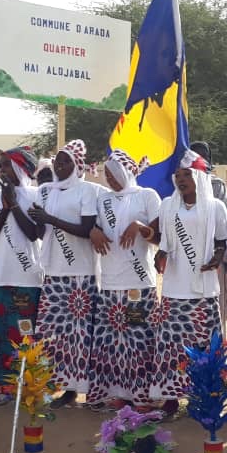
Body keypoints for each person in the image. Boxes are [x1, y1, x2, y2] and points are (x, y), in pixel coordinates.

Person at [150, 149, 227, 419]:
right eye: (178, 175)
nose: (181, 179)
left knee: (205, 347)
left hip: (203, 290)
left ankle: (205, 397)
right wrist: (160, 253)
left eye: (187, 174)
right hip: (175, 288)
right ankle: (171, 399)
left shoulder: (215, 207)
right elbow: (163, 241)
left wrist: (217, 258)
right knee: (172, 347)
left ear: (199, 177)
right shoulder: (167, 206)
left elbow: (221, 242)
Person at [87, 149, 161, 409]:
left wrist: (140, 226)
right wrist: (93, 231)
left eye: (115, 174)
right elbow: (92, 225)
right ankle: (119, 392)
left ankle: (142, 395)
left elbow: (159, 236)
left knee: (138, 340)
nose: (110, 179)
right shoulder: (103, 200)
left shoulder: (147, 196)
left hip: (139, 281)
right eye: (107, 174)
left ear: (127, 172)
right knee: (114, 342)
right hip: (109, 281)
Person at [29, 139, 101, 409]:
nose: (59, 166)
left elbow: (86, 230)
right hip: (53, 272)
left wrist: (50, 220)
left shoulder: (87, 191)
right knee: (52, 334)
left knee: (78, 335)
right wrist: (38, 219)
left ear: (77, 165)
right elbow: (38, 231)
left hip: (80, 274)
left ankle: (75, 388)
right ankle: (55, 384)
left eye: (65, 162)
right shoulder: (46, 191)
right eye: (57, 161)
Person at [0, 147, 43, 404]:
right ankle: (1, 384)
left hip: (27, 277)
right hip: (0, 276)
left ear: (21, 168)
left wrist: (15, 203)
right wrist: (6, 206)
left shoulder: (35, 194)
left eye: (7, 165)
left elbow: (33, 233)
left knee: (25, 334)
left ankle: (29, 385)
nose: (2, 171)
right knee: (0, 333)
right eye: (0, 167)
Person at [190, 141, 227, 334]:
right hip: (188, 253)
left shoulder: (216, 185)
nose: (200, 161)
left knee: (217, 304)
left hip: (214, 254)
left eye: (203, 157)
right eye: (195, 157)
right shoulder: (178, 187)